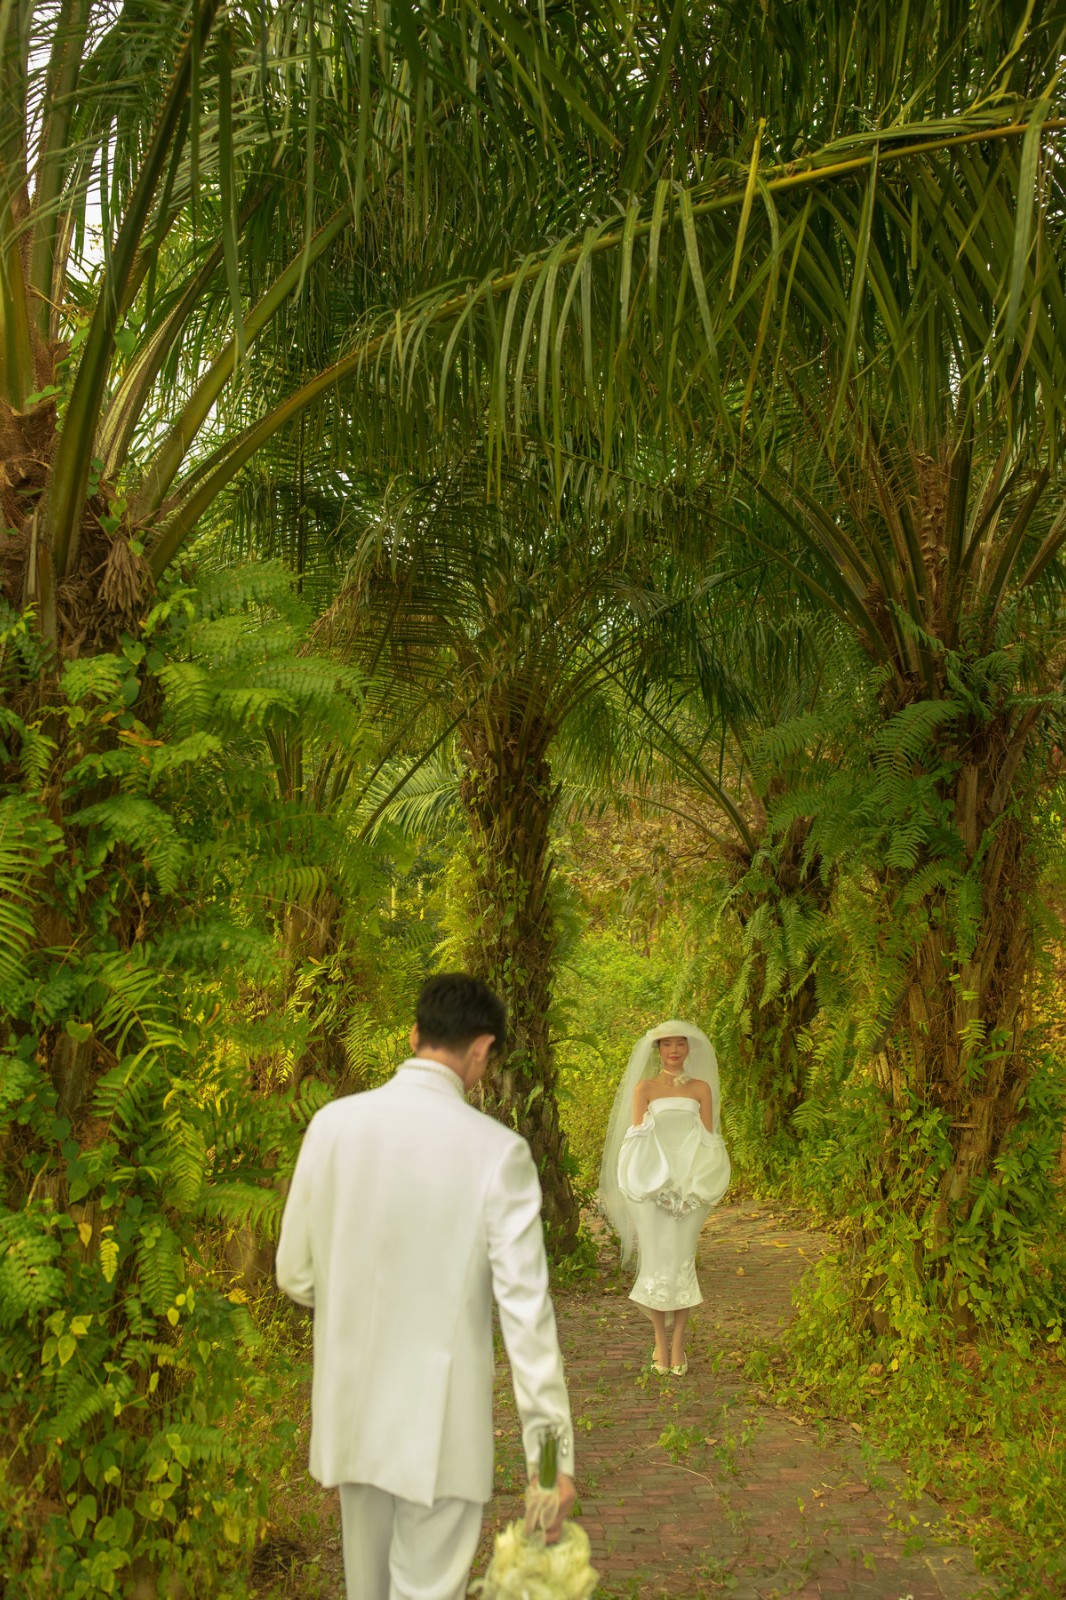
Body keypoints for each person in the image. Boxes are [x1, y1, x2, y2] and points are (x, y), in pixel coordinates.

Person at [276, 973, 577, 1600]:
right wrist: (550, 1467)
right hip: (442, 1433)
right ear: (482, 1049)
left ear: (414, 1034)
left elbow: (294, 1274)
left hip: (353, 1420)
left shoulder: (332, 1126)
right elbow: (527, 1319)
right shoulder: (497, 1152)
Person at [598, 1020, 730, 1376]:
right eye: (667, 1044)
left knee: (682, 1262)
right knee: (656, 1262)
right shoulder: (645, 1088)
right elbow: (637, 1139)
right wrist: (647, 1185)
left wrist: (698, 1185)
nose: (674, 1050)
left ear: (688, 1048)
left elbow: (708, 1140)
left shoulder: (701, 1088)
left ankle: (678, 1343)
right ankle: (659, 1341)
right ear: (657, 1050)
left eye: (680, 1044)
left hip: (689, 1188)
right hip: (653, 1187)